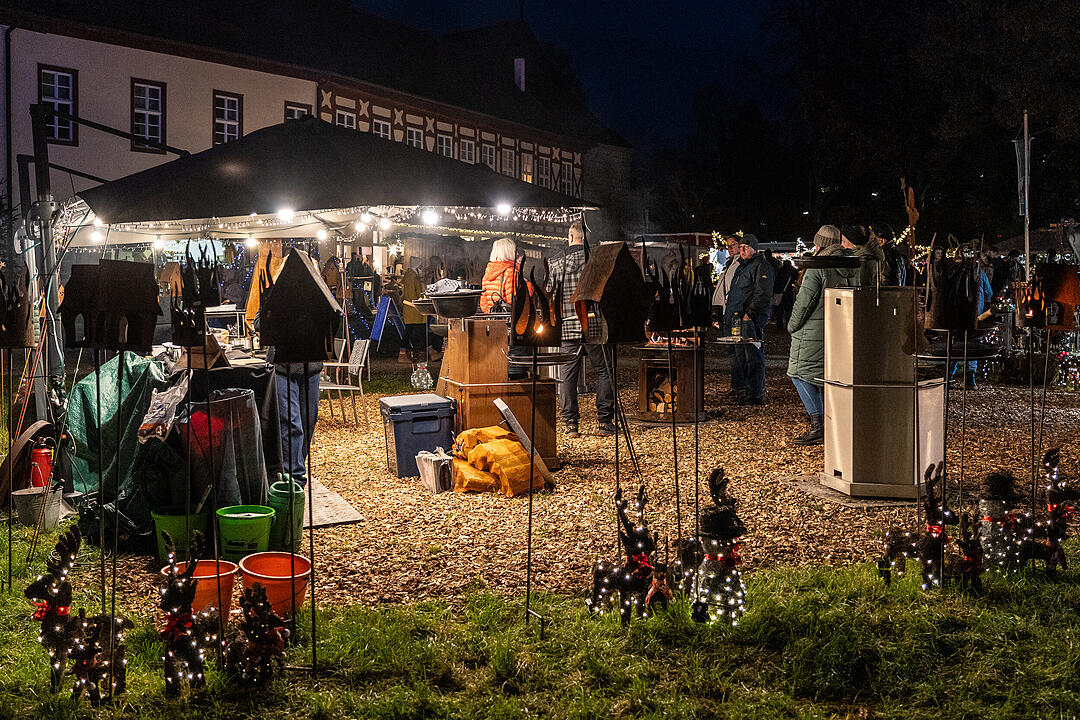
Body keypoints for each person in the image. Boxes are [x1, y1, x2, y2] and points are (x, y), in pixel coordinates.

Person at [786, 225, 859, 445]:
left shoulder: (818, 267)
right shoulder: (852, 264)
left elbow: (804, 303)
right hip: (841, 329)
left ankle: (819, 424)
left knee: (798, 373)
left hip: (813, 330)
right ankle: (833, 422)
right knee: (830, 377)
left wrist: (791, 326)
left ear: (820, 244)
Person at [549, 220, 614, 438]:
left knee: (568, 375)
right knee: (604, 371)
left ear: (570, 237)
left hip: (567, 324)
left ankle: (571, 425)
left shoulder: (556, 262)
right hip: (594, 324)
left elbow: (549, 292)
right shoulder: (596, 260)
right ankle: (604, 422)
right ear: (587, 237)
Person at [724, 234, 774, 405]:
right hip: (737, 318)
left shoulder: (761, 266)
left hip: (749, 319)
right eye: (741, 247)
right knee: (740, 356)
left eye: (746, 247)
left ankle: (755, 394)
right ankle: (745, 389)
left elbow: (763, 293)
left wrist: (750, 313)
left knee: (752, 355)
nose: (742, 250)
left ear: (754, 248)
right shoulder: (742, 266)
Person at [711, 235, 742, 330]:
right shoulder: (729, 263)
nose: (730, 248)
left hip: (731, 310)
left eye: (733, 245)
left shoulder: (740, 263)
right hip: (722, 310)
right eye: (728, 246)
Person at [480, 237, 519, 313]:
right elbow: (514, 300)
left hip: (491, 318)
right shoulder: (510, 272)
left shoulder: (487, 273)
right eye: (514, 250)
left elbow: (483, 303)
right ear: (509, 252)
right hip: (507, 319)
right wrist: (529, 287)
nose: (516, 253)